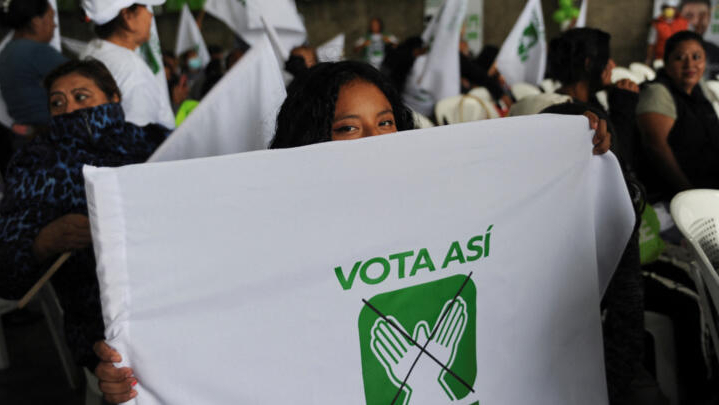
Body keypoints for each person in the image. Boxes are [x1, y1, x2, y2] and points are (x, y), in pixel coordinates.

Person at [0, 59, 168, 402]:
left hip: (171, 298)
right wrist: (44, 241)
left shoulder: (154, 145)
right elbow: (7, 272)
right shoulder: (36, 163)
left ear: (114, 98)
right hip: (101, 328)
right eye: (57, 103)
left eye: (81, 97)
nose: (69, 109)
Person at [636, 30, 719, 201]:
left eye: (697, 57)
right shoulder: (658, 92)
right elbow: (656, 148)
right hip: (678, 196)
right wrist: (688, 193)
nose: (690, 65)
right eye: (680, 58)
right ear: (666, 63)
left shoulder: (698, 88)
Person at [80, 0, 175, 129]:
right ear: (128, 17)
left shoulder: (91, 51)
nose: (150, 15)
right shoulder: (132, 71)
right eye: (145, 7)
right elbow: (139, 137)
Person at [0, 0, 67, 131]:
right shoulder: (35, 51)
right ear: (36, 22)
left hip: (26, 135)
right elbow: (86, 77)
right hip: (49, 132)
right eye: (51, 18)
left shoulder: (8, 51)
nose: (54, 25)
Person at [679, 0, 719, 78]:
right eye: (689, 15)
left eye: (702, 15)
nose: (696, 22)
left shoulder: (715, 52)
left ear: (709, 17)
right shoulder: (666, 49)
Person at [646, 1, 689, 65]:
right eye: (666, 8)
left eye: (672, 8)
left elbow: (689, 42)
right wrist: (648, 60)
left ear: (676, 9)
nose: (669, 10)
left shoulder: (684, 23)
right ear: (663, 9)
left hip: (679, 60)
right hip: (661, 60)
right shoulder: (657, 24)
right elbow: (651, 44)